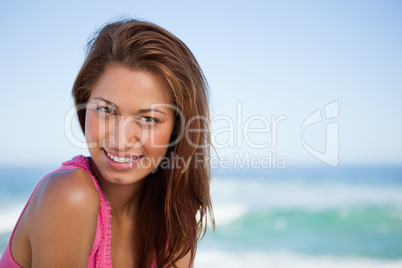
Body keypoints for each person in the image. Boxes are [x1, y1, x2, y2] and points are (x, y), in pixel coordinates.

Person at [0, 19, 214, 268]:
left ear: (178, 129)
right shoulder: (70, 196)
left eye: (148, 118)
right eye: (106, 110)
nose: (120, 140)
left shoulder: (174, 217)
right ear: (84, 104)